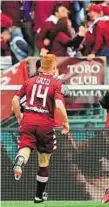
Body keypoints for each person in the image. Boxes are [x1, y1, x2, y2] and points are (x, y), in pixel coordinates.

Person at [11, 54, 70, 203]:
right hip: (45, 124)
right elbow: (59, 105)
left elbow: (15, 100)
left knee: (25, 148)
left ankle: (19, 162)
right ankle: (38, 196)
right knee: (43, 161)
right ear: (54, 67)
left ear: (41, 67)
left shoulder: (29, 81)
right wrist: (66, 122)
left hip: (28, 121)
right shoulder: (56, 84)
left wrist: (19, 116)